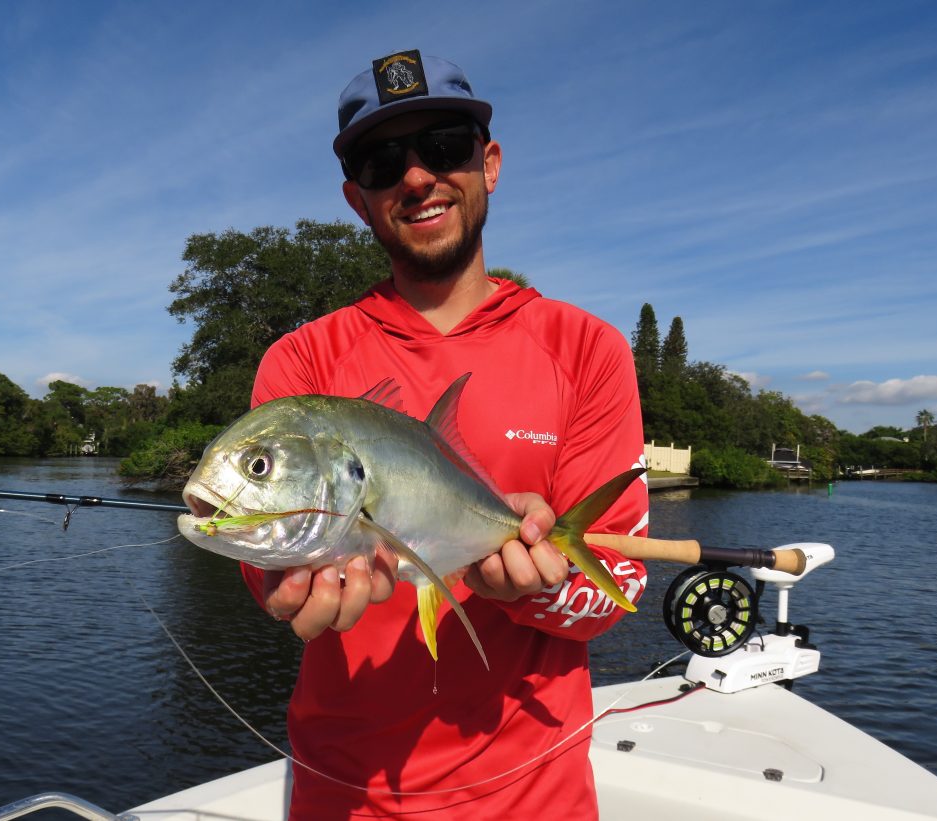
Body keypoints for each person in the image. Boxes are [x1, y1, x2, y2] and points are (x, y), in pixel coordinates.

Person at [240, 49, 649, 819]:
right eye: (383, 159)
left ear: (488, 163)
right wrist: (279, 588)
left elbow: (618, 588)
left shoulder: (587, 349)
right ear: (357, 198)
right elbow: (265, 563)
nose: (418, 177)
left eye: (446, 148)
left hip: (536, 797)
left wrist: (537, 591)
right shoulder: (301, 361)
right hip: (343, 793)